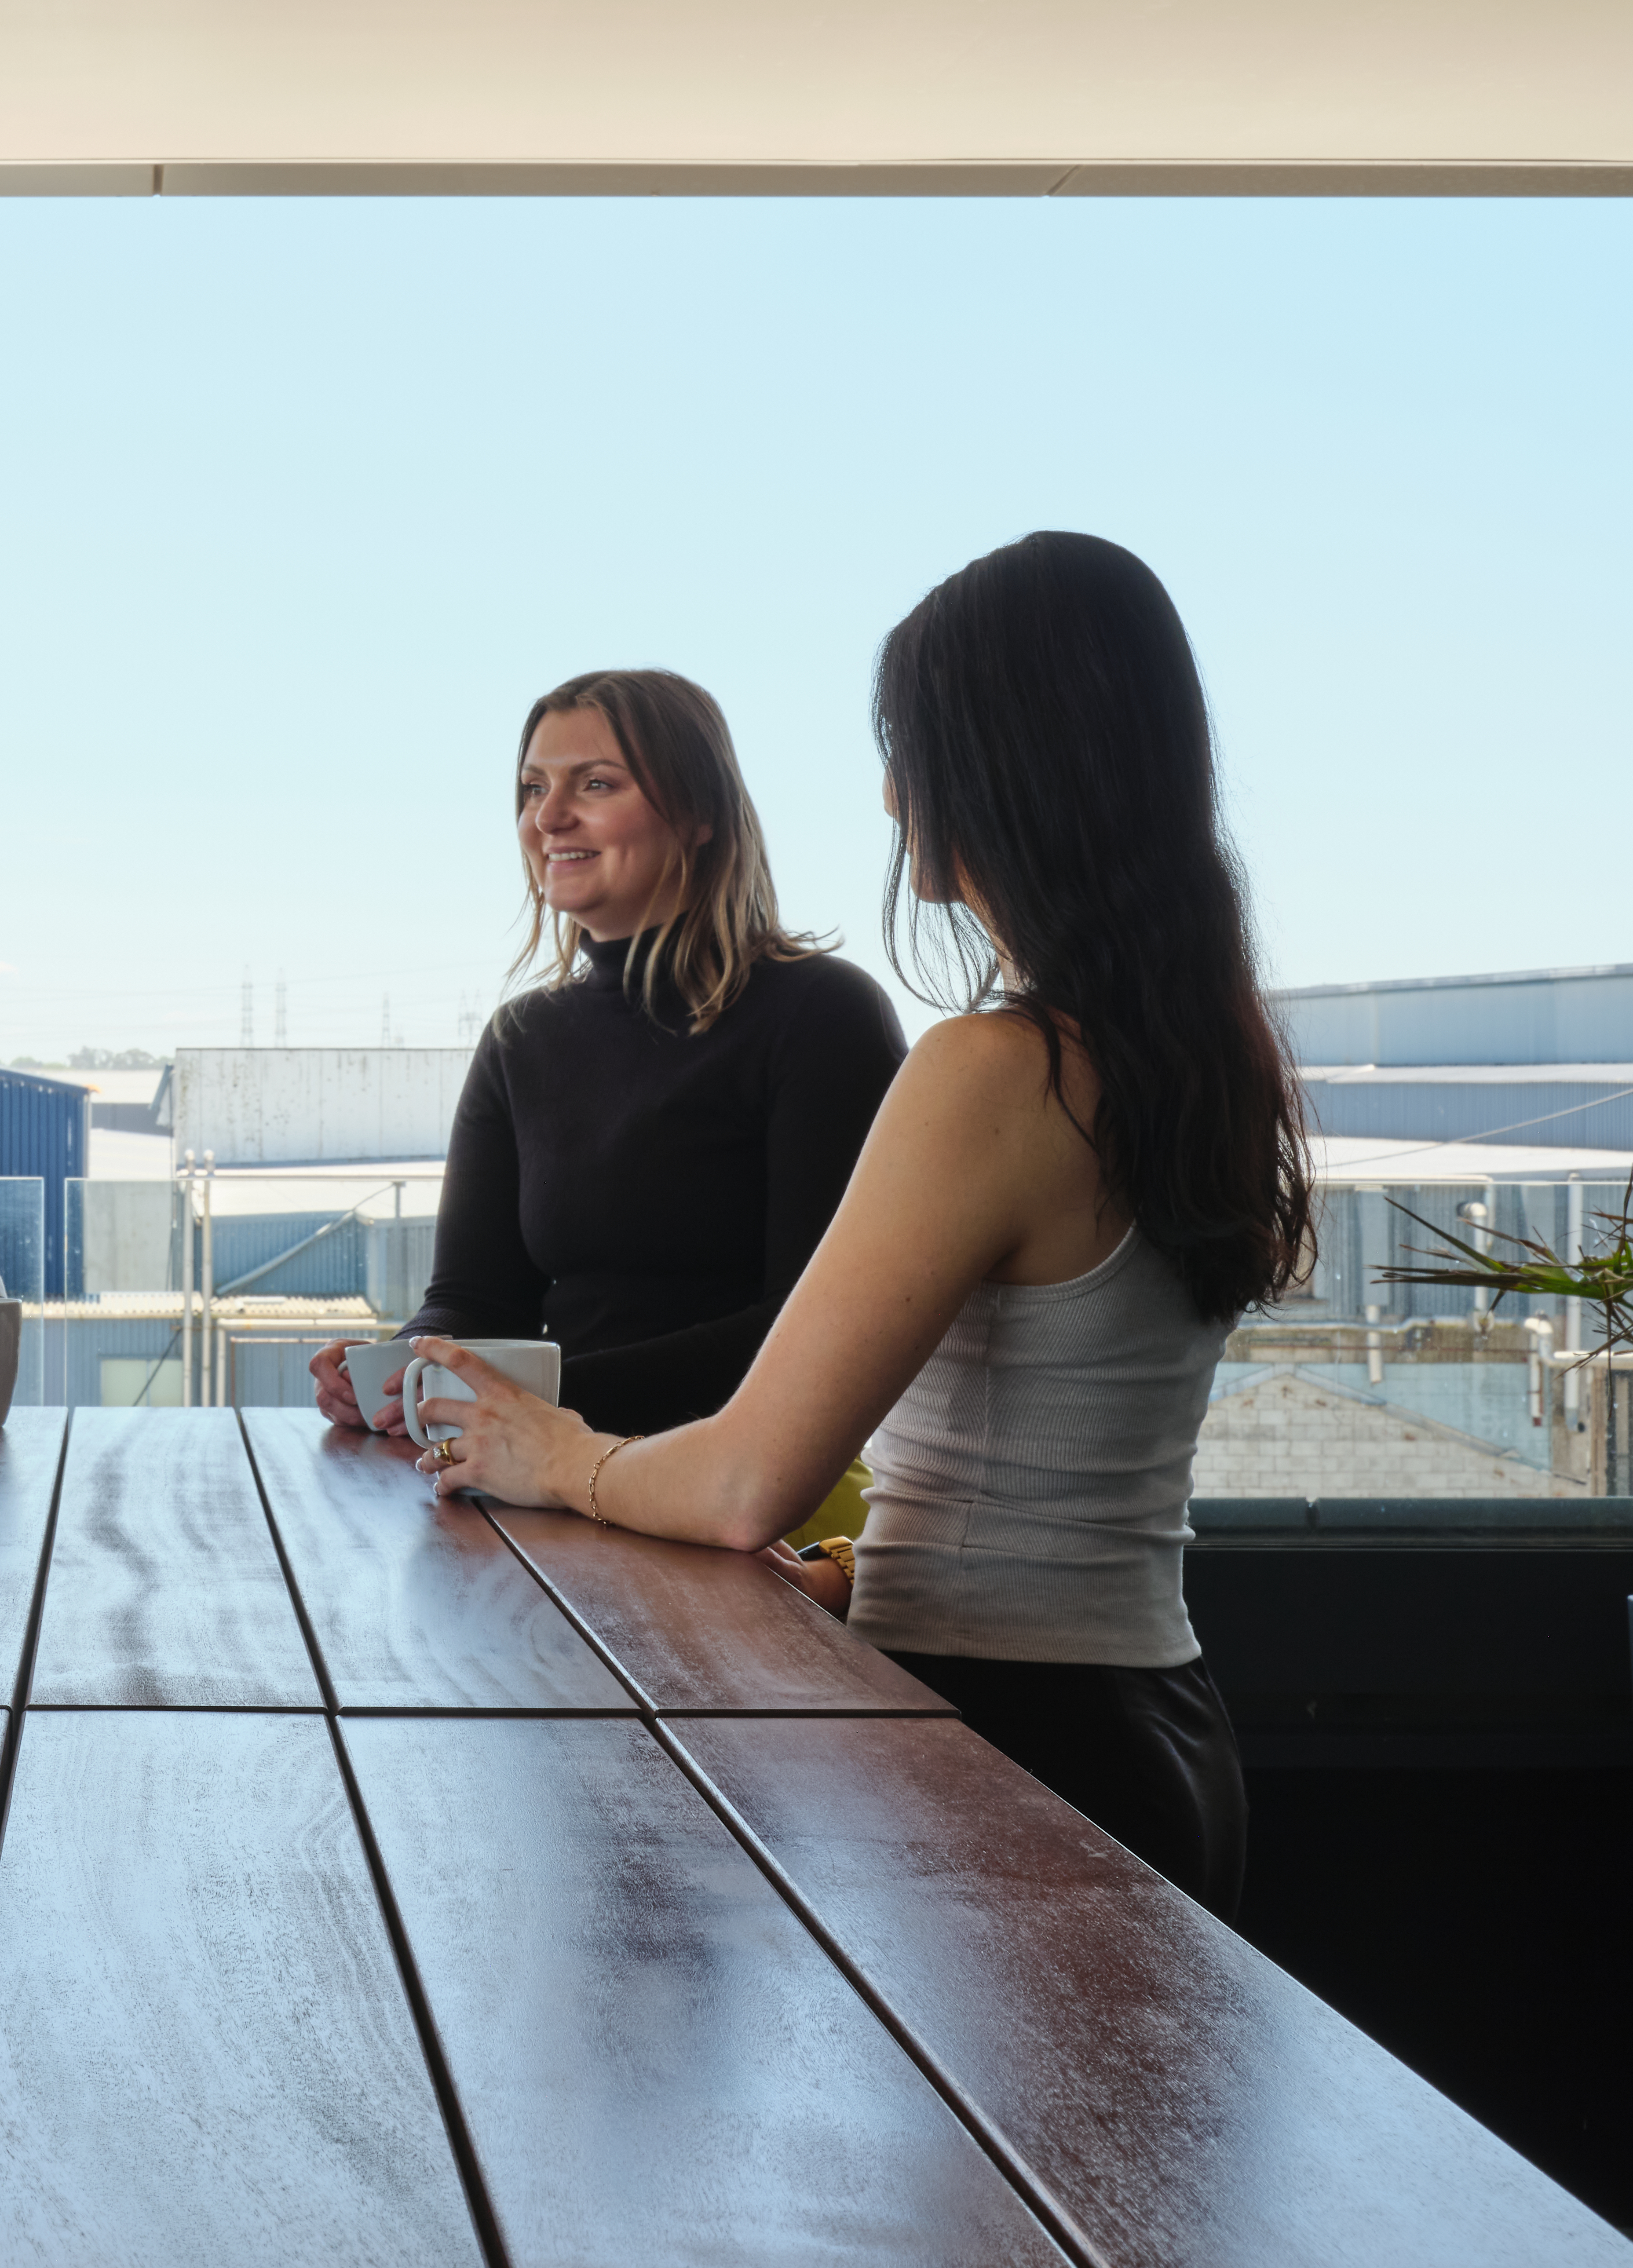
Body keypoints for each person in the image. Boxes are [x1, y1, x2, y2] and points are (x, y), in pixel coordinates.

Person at [407, 536, 1311, 1920]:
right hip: (1156, 1726)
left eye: (912, 744)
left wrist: (563, 1454)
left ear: (1007, 762)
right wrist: (849, 1571)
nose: (894, 791)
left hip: (1007, 1753)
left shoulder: (994, 1069)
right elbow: (1047, 1470)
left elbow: (741, 1484)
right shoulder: (1203, 1053)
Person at [313, 669, 899, 1544]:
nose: (548, 817)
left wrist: (538, 1404)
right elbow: (475, 1296)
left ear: (699, 815)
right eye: (532, 789)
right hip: (539, 1485)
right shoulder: (522, 1040)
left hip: (756, 1503)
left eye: (595, 784)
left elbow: (810, 1331)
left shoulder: (823, 1014)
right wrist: (407, 1367)